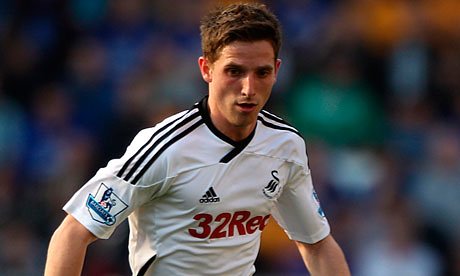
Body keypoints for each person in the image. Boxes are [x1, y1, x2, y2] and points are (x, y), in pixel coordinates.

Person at [45, 3, 350, 275]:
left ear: (277, 71)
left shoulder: (285, 146)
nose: (248, 88)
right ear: (206, 69)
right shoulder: (164, 147)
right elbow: (72, 233)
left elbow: (317, 245)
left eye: (262, 72)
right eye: (234, 71)